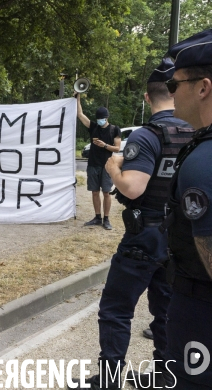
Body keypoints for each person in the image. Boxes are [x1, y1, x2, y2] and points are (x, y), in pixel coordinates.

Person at [69, 59, 194, 389]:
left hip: (145, 237)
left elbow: (133, 187)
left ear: (146, 97)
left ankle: (108, 381)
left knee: (115, 309)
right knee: (165, 311)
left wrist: (113, 169)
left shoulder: (149, 134)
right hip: (179, 238)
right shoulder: (194, 132)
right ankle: (164, 374)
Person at [161, 29, 212, 389]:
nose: (171, 94)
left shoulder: (204, 163)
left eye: (175, 85)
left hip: (201, 315)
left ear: (203, 87)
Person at [77, 94, 121, 230]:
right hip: (93, 165)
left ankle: (106, 219)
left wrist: (105, 145)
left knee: (106, 192)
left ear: (107, 118)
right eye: (98, 119)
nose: (100, 121)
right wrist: (77, 98)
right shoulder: (93, 127)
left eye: (102, 119)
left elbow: (117, 148)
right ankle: (97, 217)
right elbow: (80, 114)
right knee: (94, 192)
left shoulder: (115, 129)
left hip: (107, 166)